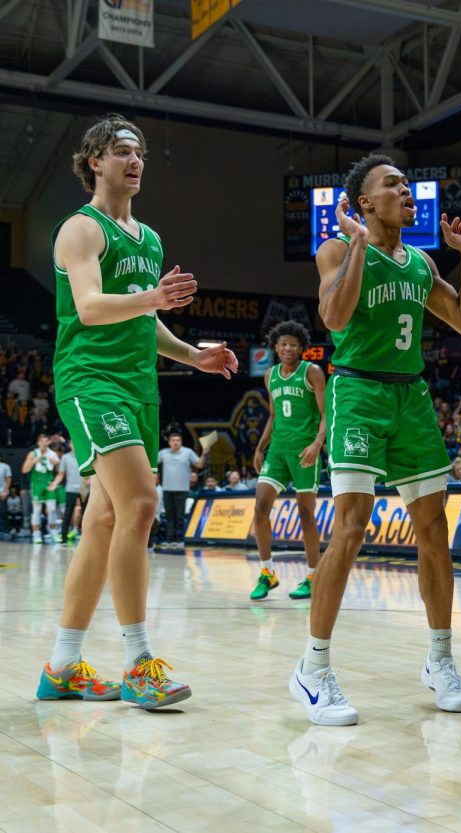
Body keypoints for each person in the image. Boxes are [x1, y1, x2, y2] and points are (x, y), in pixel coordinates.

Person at [38, 115, 237, 711]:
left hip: (137, 388)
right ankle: (138, 661)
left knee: (104, 521)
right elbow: (92, 307)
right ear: (94, 161)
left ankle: (63, 666)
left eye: (140, 153)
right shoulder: (81, 229)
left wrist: (192, 356)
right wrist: (151, 297)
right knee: (143, 504)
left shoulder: (147, 238)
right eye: (122, 152)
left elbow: (145, 322)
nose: (135, 162)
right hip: (91, 382)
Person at [291, 153, 461, 724]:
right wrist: (353, 247)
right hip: (358, 394)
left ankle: (440, 659)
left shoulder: (420, 262)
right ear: (365, 203)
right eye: (392, 184)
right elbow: (336, 318)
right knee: (349, 529)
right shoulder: (335, 249)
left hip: (412, 397)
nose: (406, 190)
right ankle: (313, 669)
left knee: (433, 528)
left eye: (407, 183)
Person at [251, 321, 326, 602]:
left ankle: (312, 575)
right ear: (276, 347)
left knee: (306, 515)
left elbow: (325, 413)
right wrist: (260, 447)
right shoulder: (270, 375)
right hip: (278, 451)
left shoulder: (313, 372)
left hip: (304, 451)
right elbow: (272, 416)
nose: (288, 348)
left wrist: (318, 443)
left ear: (301, 348)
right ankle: (267, 573)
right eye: (283, 344)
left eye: (293, 344)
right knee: (260, 508)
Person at [157, 432, 207, 546]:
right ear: (169, 442)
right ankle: (169, 539)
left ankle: (179, 540)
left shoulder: (188, 452)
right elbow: (152, 462)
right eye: (173, 440)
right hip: (167, 489)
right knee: (170, 516)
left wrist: (204, 454)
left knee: (179, 516)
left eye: (178, 440)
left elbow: (199, 465)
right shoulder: (163, 453)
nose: (175, 442)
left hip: (182, 488)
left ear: (181, 442)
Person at [23, 433, 59, 544]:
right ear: (38, 443)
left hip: (49, 483)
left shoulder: (53, 454)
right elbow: (24, 470)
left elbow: (59, 471)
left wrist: (57, 463)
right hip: (37, 484)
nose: (44, 443)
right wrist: (33, 461)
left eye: (46, 441)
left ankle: (53, 532)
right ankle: (36, 534)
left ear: (49, 442)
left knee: (52, 509)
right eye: (41, 441)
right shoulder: (33, 454)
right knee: (37, 510)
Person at [54, 439, 85, 544]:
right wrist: (54, 484)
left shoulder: (85, 454)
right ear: (69, 445)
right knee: (68, 513)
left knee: (86, 513)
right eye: (72, 442)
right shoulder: (65, 457)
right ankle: (63, 536)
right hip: (70, 488)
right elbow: (61, 474)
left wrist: (90, 479)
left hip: (84, 489)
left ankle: (85, 536)